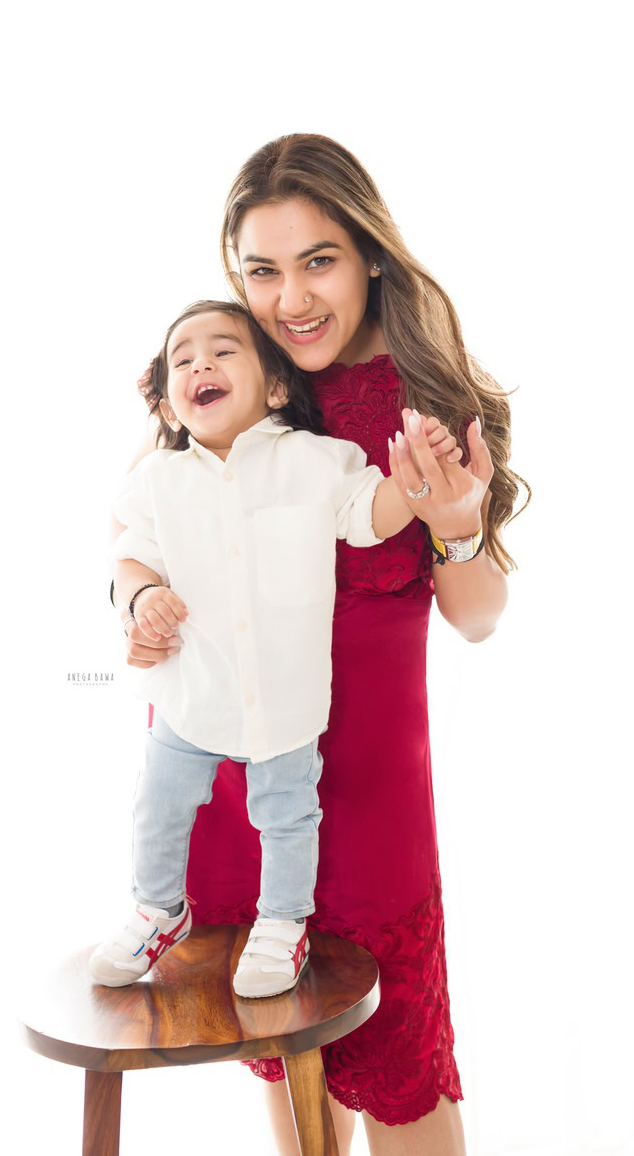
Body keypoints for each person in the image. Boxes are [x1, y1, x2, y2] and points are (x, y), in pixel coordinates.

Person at [111, 135, 529, 1156]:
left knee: (401, 1077)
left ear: (369, 254)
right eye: (261, 268)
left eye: (317, 261)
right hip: (232, 777)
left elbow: (474, 616)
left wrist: (456, 520)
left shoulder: (423, 404)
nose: (289, 297)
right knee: (291, 1077)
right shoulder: (223, 379)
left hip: (374, 804)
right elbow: (138, 539)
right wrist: (138, 604)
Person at [92, 300, 457, 998]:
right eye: (182, 358)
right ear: (169, 402)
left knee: (289, 815)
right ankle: (157, 909)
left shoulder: (316, 461)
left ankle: (282, 923)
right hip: (189, 691)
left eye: (223, 350)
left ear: (278, 386)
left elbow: (367, 517)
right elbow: (129, 556)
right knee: (159, 805)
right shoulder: (159, 481)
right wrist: (142, 599)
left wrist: (414, 483)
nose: (200, 363)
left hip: (284, 698)